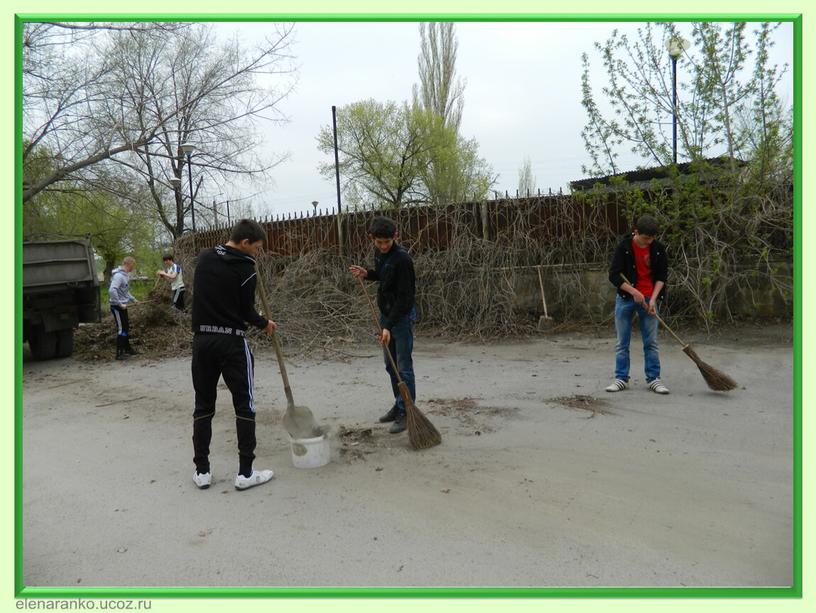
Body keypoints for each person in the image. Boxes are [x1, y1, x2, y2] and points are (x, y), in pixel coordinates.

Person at [190, 219, 278, 491]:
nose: (257, 253)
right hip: (232, 343)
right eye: (257, 248)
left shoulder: (204, 258)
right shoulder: (246, 268)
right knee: (244, 405)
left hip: (202, 341)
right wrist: (265, 323)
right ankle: (246, 473)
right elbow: (246, 313)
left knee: (203, 406)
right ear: (244, 243)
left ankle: (202, 472)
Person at [349, 216, 417, 434]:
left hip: (401, 318)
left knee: (403, 367)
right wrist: (368, 274)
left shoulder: (403, 260)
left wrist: (388, 325)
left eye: (387, 242)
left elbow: (405, 298)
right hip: (386, 316)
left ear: (396, 236)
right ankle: (399, 405)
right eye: (379, 242)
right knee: (390, 365)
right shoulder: (380, 253)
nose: (383, 246)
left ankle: (408, 411)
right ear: (372, 239)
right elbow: (384, 277)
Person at [606, 214, 670, 394]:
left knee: (651, 342)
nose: (649, 241)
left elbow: (661, 277)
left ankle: (653, 379)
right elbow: (614, 275)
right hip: (626, 299)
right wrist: (633, 292)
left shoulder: (658, 249)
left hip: (650, 298)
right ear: (636, 232)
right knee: (622, 342)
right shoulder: (624, 247)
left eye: (652, 238)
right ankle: (621, 378)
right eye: (645, 238)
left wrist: (653, 300)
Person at [108, 256, 139, 360]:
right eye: (132, 266)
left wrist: (133, 300)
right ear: (128, 264)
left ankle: (127, 349)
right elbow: (112, 290)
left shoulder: (125, 276)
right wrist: (119, 304)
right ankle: (119, 353)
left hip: (122, 306)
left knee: (126, 328)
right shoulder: (118, 276)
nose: (133, 268)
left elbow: (124, 291)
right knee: (121, 329)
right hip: (117, 307)